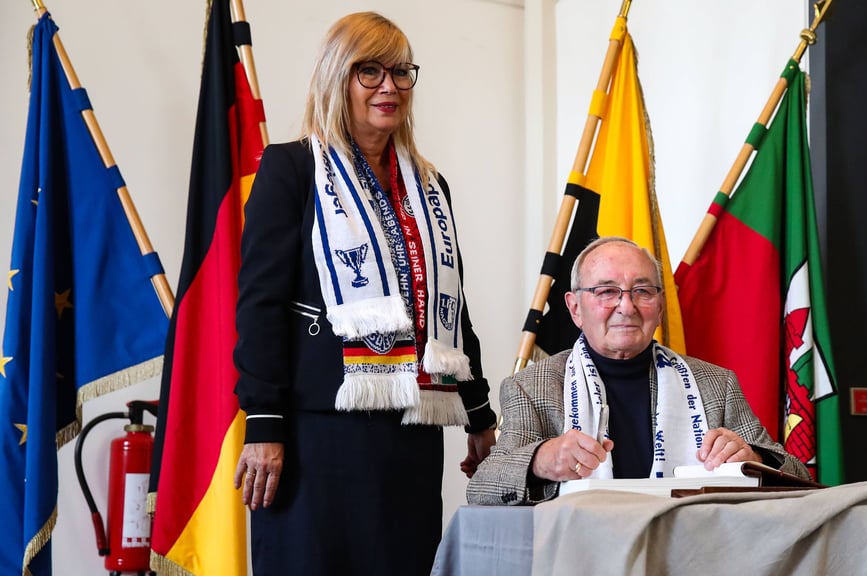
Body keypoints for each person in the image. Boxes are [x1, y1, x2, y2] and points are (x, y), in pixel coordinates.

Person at [232, 12, 497, 574]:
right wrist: (263, 423)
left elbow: (449, 310)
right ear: (337, 78)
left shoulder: (429, 184)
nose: (389, 86)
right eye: (369, 71)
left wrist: (479, 416)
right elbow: (261, 307)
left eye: (401, 72)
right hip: (315, 436)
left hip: (412, 436)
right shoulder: (291, 169)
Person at [467, 236, 809, 506]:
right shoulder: (532, 387)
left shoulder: (716, 385)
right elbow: (483, 485)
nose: (626, 306)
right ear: (575, 308)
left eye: (642, 291)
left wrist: (753, 459)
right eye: (606, 292)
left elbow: (798, 476)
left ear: (659, 306)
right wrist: (540, 461)